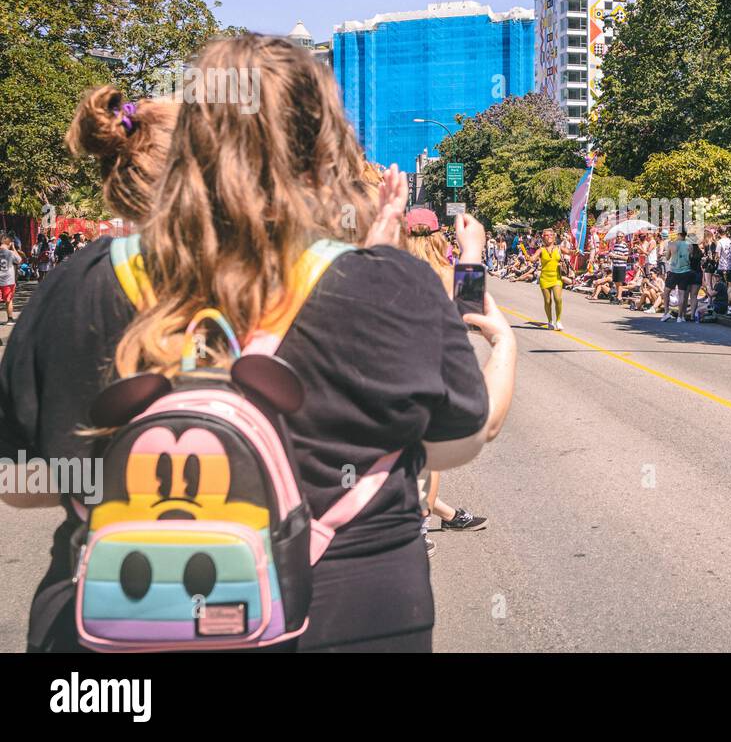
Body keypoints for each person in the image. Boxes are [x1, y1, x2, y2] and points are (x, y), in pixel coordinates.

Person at [0, 35, 517, 652]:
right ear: (325, 150)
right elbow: (457, 444)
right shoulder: (384, 281)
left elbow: (18, 480)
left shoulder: (80, 281)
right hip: (351, 616)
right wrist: (504, 346)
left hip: (111, 628)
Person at [403, 210, 489, 542]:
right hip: (436, 376)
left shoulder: (390, 270)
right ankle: (420, 531)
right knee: (429, 459)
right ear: (440, 237)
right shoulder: (449, 273)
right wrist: (472, 251)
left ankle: (437, 518)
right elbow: (473, 315)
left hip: (392, 371)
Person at [526, 228, 565, 329]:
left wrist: (576, 251)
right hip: (545, 278)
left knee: (558, 299)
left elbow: (571, 252)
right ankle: (550, 321)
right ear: (543, 237)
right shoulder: (541, 250)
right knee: (548, 301)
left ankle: (558, 321)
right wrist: (529, 258)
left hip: (557, 277)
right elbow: (533, 258)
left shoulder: (559, 248)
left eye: (550, 235)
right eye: (546, 235)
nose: (548, 237)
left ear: (554, 236)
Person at [661, 228, 694, 323]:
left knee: (666, 291)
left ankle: (666, 312)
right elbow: (690, 257)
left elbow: (667, 257)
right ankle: (680, 316)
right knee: (682, 294)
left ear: (679, 234)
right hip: (685, 271)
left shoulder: (672, 244)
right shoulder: (690, 245)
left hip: (674, 270)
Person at [0, 236, 24, 325]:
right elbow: (19, 260)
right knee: (8, 300)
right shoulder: (10, 253)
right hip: (8, 280)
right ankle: (9, 320)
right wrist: (13, 248)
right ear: (9, 243)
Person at [609, 233, 631, 304]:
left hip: (621, 266)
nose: (618, 238)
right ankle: (618, 295)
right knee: (616, 281)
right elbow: (614, 255)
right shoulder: (615, 245)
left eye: (620, 237)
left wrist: (616, 256)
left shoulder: (624, 246)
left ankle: (619, 297)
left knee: (620, 282)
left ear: (623, 237)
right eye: (617, 236)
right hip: (615, 265)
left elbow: (626, 258)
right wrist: (612, 256)